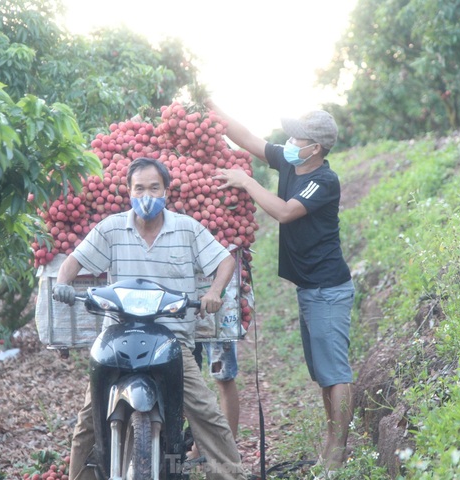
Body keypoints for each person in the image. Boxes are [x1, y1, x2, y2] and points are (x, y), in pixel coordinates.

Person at [52, 157, 246, 480]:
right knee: (89, 417)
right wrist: (62, 284)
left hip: (171, 341)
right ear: (128, 191)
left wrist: (214, 292)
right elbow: (73, 261)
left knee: (207, 413)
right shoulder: (112, 228)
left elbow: (225, 261)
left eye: (154, 188)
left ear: (166, 191)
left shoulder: (186, 228)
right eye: (139, 188)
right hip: (116, 338)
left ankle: (231, 476)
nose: (146, 195)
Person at [207, 100, 355, 473]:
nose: (288, 141)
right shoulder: (290, 161)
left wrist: (247, 181)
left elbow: (286, 211)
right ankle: (329, 448)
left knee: (335, 373)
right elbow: (248, 139)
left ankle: (337, 455)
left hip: (327, 289)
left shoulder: (324, 180)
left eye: (297, 137)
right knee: (323, 374)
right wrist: (211, 108)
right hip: (310, 288)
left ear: (315, 147)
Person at [186, 340, 240, 465]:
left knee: (224, 376)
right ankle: (197, 450)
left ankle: (227, 455)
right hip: (183, 323)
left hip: (216, 322)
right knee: (185, 376)